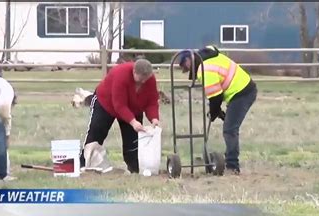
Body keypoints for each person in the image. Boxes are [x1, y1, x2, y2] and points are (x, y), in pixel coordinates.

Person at [178, 46, 258, 175]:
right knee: (230, 126)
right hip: (241, 90)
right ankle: (228, 163)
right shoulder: (209, 56)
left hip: (242, 93)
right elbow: (216, 96)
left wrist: (214, 111)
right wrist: (217, 111)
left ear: (188, 60)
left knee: (230, 129)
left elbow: (215, 97)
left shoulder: (205, 69)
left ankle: (232, 166)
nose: (186, 69)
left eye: (185, 66)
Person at [80, 59, 160, 174]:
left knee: (133, 141)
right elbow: (119, 105)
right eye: (140, 78)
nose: (143, 82)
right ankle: (84, 164)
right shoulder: (121, 75)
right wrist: (133, 122)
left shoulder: (150, 80)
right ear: (134, 72)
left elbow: (151, 102)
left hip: (134, 107)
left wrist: (154, 119)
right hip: (106, 103)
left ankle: (134, 170)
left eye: (145, 79)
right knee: (96, 133)